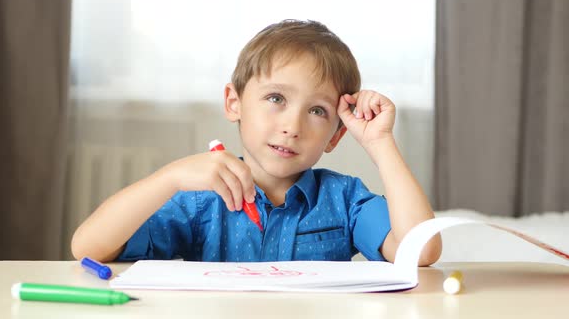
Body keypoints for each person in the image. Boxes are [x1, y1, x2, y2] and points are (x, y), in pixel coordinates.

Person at [71, 19, 442, 265]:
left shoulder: (344, 200)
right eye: (276, 99)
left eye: (317, 111)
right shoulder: (203, 202)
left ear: (337, 134)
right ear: (234, 103)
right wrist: (168, 178)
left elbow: (422, 251)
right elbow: (88, 248)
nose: (292, 126)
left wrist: (380, 143)